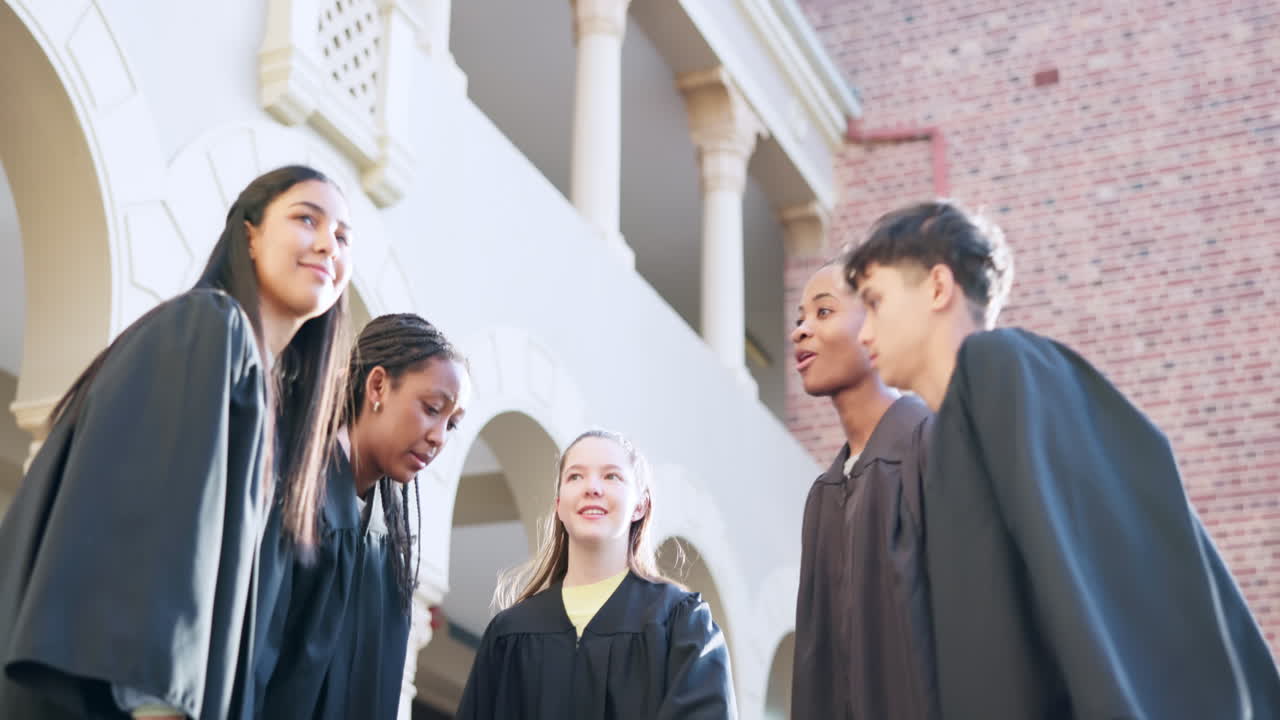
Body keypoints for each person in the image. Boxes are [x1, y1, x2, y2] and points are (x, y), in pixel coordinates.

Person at [845, 199, 1280, 719]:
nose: (864, 334)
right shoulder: (987, 410)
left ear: (938, 287)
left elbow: (1065, 608)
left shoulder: (998, 368)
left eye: (875, 302)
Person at [0, 165, 354, 719]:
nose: (328, 244)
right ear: (250, 234)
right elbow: (156, 546)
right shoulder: (209, 327)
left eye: (342, 236)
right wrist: (158, 706)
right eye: (306, 219)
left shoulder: (267, 400)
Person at [254, 313, 471, 719]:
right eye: (431, 408)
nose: (438, 437)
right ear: (377, 386)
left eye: (452, 425)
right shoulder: (290, 486)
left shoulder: (386, 543)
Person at [456, 429, 737, 719]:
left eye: (611, 476)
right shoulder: (509, 633)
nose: (592, 488)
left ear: (640, 505)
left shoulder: (679, 622)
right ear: (559, 506)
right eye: (575, 476)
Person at [789, 260, 938, 720]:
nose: (800, 331)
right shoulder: (824, 494)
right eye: (800, 318)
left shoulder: (932, 448)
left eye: (824, 312)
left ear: (875, 322)